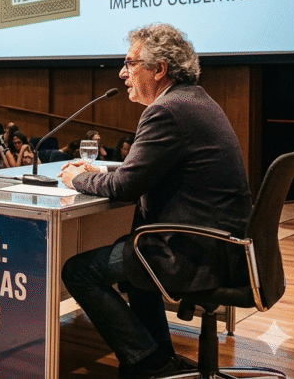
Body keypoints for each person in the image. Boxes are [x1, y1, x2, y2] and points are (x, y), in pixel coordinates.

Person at [59, 24, 253, 379]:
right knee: (133, 259)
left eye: (130, 63)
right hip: (224, 247)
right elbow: (150, 171)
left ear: (159, 68)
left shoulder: (167, 110)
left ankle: (147, 362)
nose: (122, 74)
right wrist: (105, 171)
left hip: (197, 252)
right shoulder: (193, 100)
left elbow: (127, 186)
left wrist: (78, 178)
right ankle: (159, 355)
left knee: (78, 271)